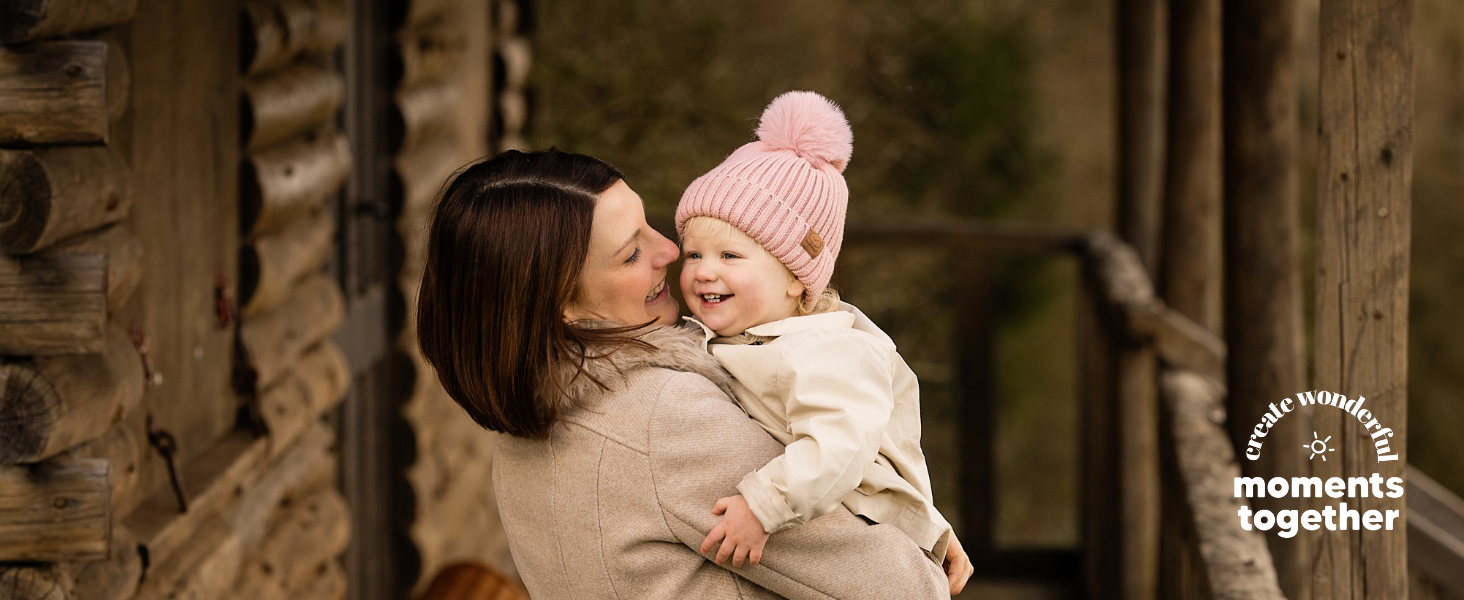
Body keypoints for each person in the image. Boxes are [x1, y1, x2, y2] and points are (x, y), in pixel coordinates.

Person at [415, 148, 949, 599]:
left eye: (650, 224)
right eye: (630, 254)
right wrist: (920, 541)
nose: (670, 251)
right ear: (561, 307)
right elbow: (906, 588)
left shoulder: (526, 427)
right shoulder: (663, 418)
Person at [674, 91, 973, 596]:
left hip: (867, 531)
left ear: (796, 279)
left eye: (730, 255)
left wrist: (763, 504)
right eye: (692, 253)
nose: (705, 270)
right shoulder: (738, 335)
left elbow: (841, 445)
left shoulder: (828, 351)